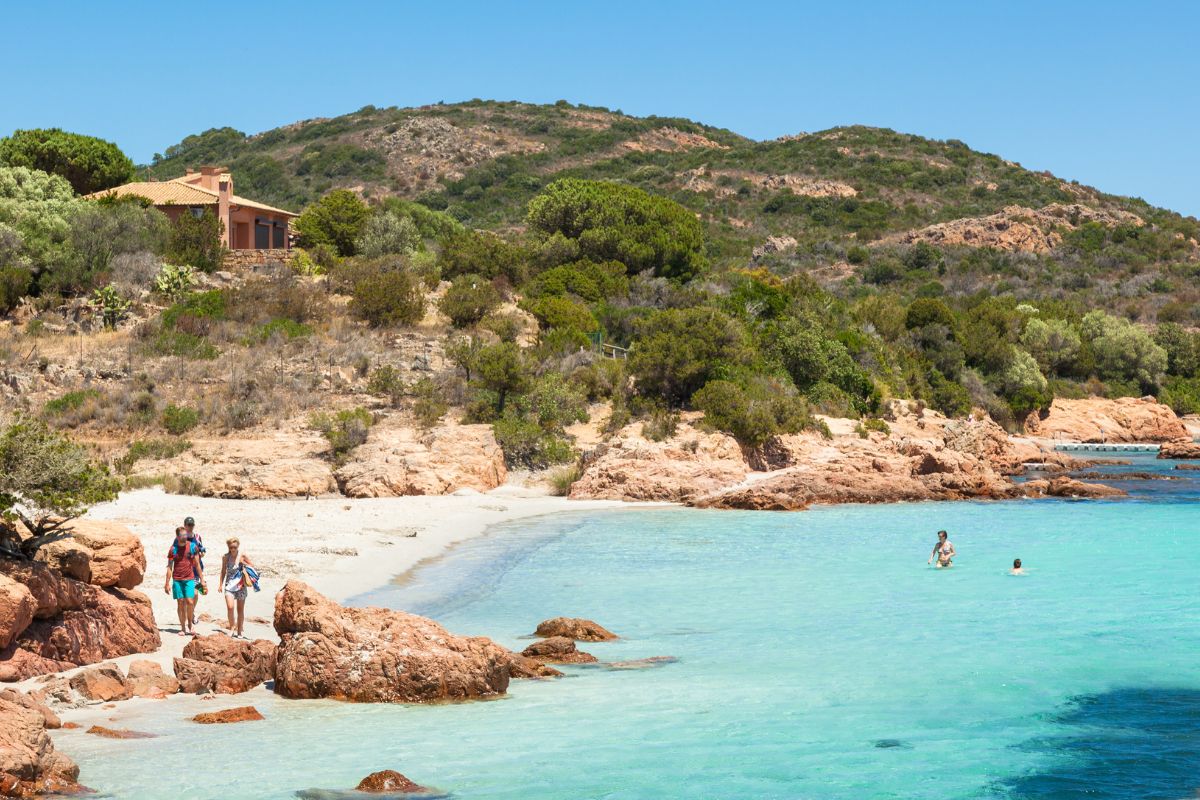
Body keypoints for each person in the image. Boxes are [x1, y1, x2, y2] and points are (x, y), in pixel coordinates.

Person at [164, 527, 205, 635]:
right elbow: (169, 566)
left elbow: (197, 564)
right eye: (182, 535)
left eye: (185, 535)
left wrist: (202, 580)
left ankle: (190, 625)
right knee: (180, 602)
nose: (185, 537)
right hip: (177, 579)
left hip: (189, 578)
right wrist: (167, 583)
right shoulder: (173, 549)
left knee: (190, 602)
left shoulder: (192, 547)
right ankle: (182, 628)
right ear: (177, 537)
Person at [218, 538, 256, 639]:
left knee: (240, 610)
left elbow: (252, 565)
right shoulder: (226, 557)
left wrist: (244, 565)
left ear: (238, 546)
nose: (233, 549)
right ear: (228, 547)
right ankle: (232, 627)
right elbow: (223, 571)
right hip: (229, 586)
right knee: (230, 607)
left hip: (241, 586)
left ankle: (240, 630)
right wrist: (220, 584)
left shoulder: (242, 556)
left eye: (234, 547)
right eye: (231, 547)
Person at [182, 516, 206, 626]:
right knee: (187, 597)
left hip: (196, 570)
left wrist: (201, 554)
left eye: (192, 525)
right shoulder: (181, 538)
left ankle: (191, 613)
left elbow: (203, 550)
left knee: (195, 595)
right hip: (185, 571)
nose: (190, 527)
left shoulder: (197, 537)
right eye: (188, 525)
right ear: (185, 526)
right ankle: (188, 615)